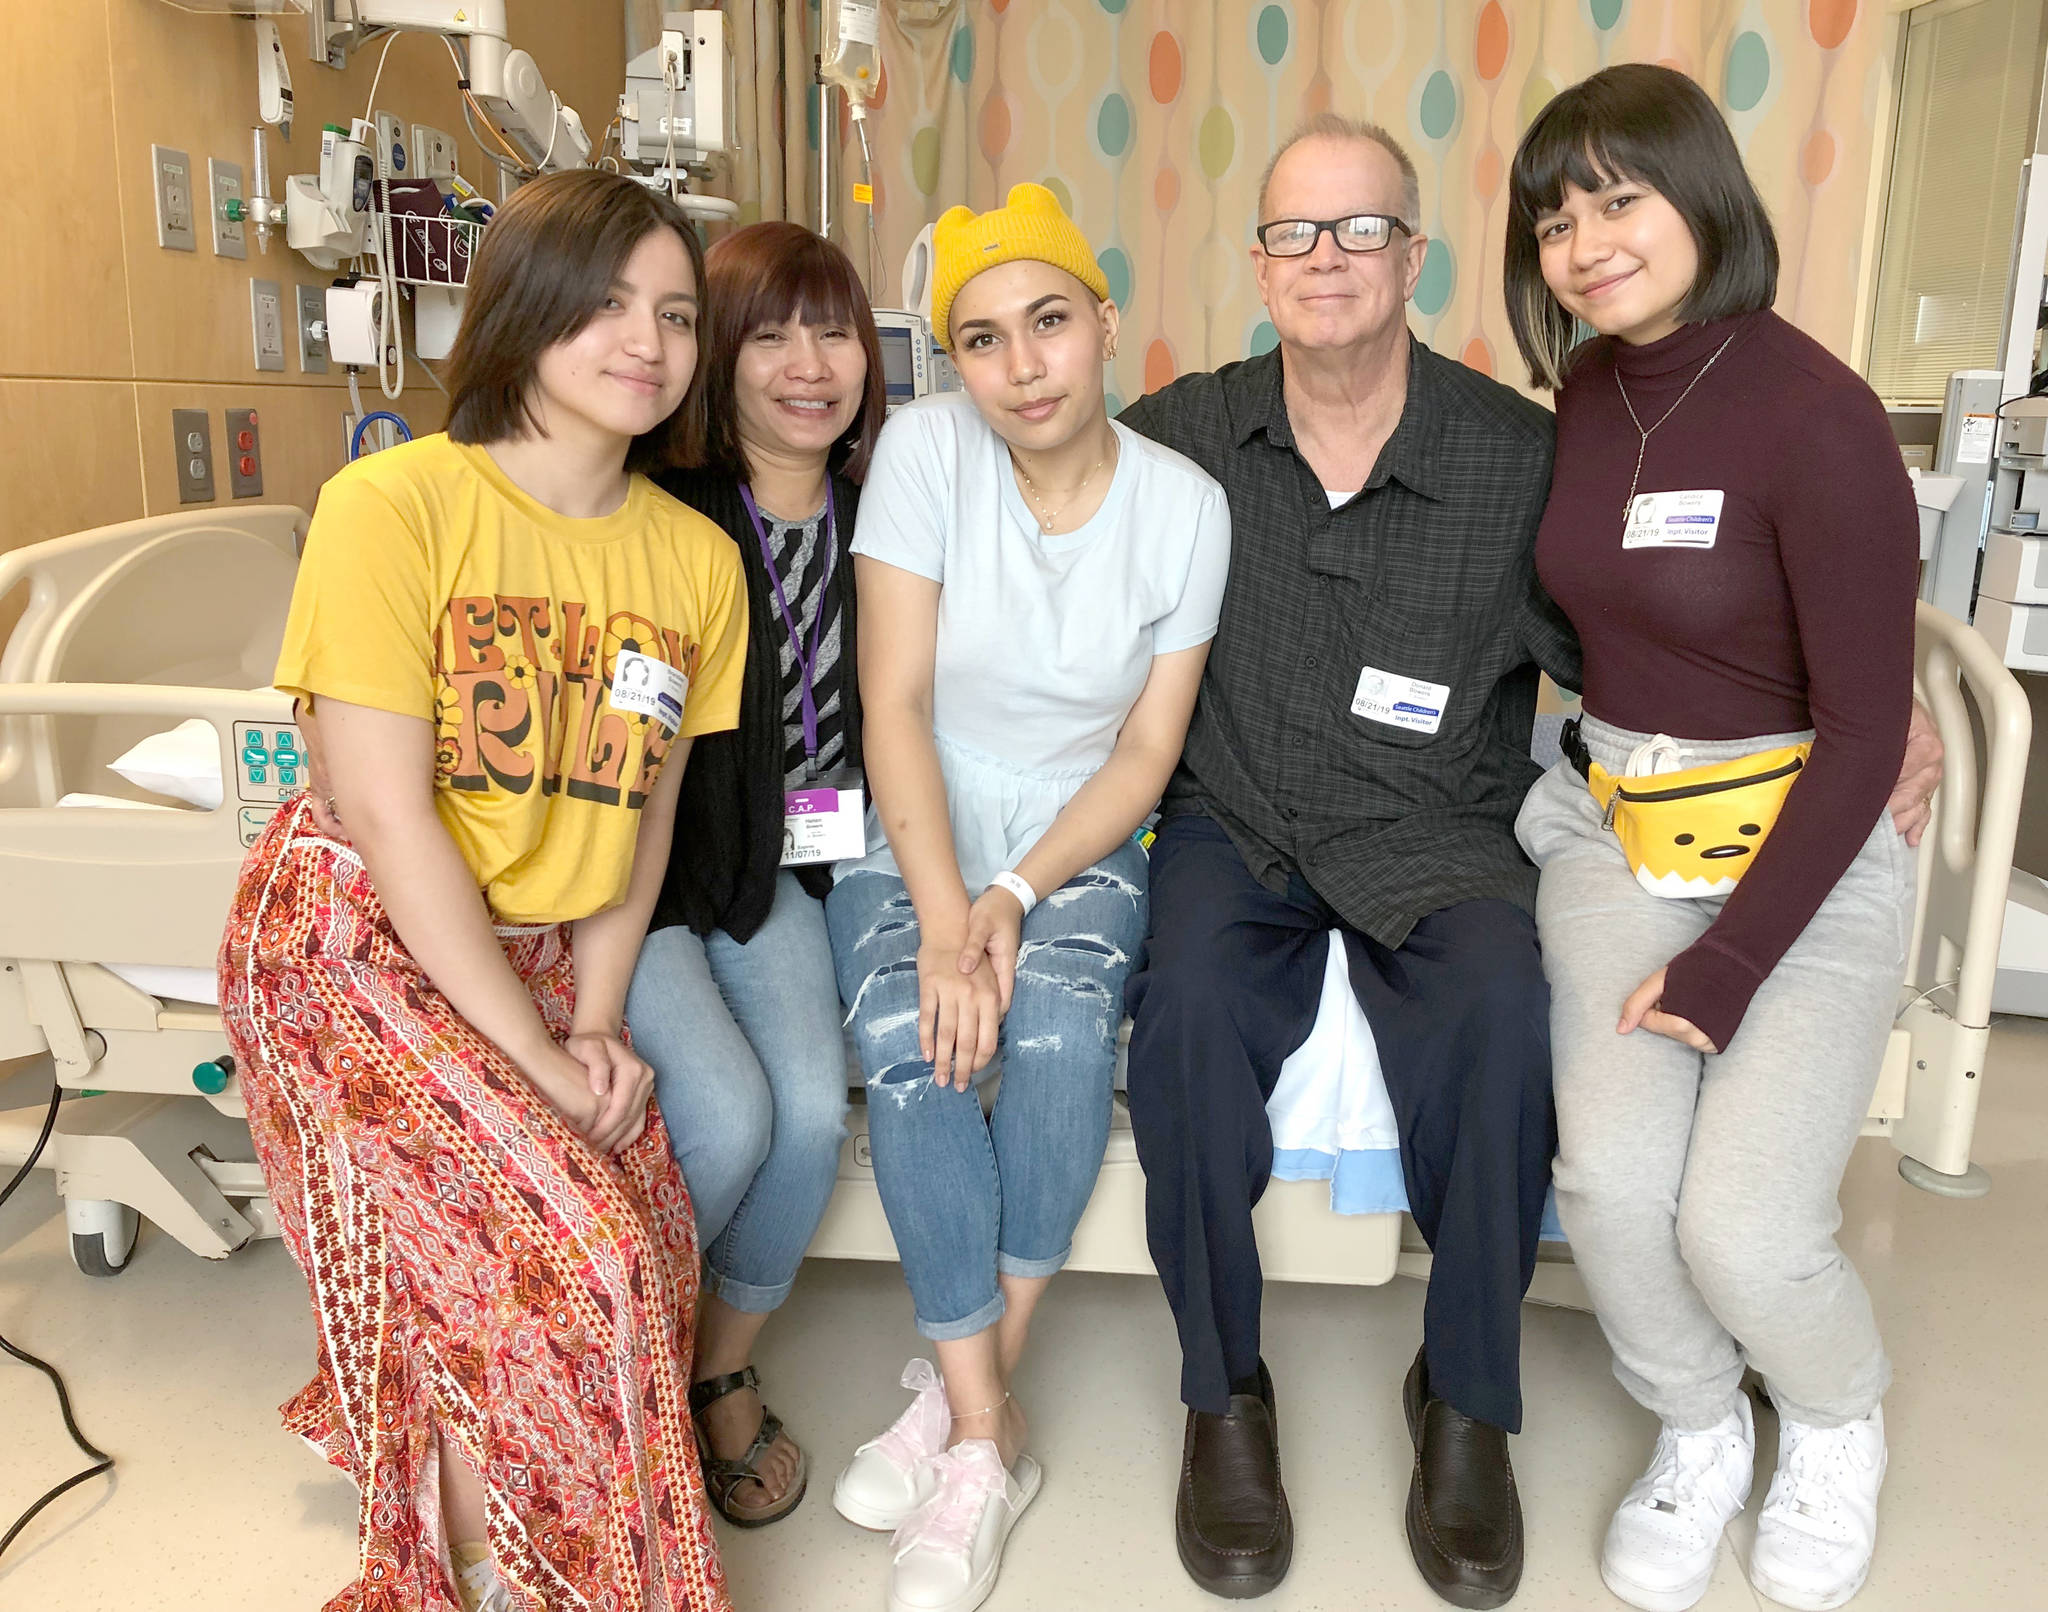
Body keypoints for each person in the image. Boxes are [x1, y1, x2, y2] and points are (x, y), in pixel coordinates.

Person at [1112, 113, 1943, 1609]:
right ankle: (1221, 1394)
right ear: (1257, 262)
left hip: (1440, 831)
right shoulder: (1180, 434)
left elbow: (1641, 640)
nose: (1327, 261)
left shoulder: (1524, 450)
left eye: (1362, 229)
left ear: (1415, 256)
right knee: (1176, 1021)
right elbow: (1037, 515)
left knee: (1504, 1021)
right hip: (1238, 829)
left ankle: (1468, 1401)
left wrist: (1882, 719)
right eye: (1295, 233)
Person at [216, 170, 746, 1612]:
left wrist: (603, 1025)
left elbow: (641, 825)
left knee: (661, 1244)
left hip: (544, 953)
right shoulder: (394, 505)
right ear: (526, 308)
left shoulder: (696, 563)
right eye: (609, 301)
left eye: (678, 314)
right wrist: (540, 1063)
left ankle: (492, 1539)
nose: (648, 339)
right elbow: (390, 820)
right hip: (351, 942)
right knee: (588, 1263)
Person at [1505, 65, 1917, 1612]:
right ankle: (1698, 1429)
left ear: (1705, 196)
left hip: (1802, 853)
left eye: (1619, 198)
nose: (1586, 242)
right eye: (1555, 218)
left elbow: (1869, 729)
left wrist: (1732, 967)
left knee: (1740, 1226)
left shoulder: (1819, 410)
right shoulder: (1588, 391)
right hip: (1618, 830)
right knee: (1610, 1191)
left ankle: (1831, 1413)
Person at [824, 183, 1231, 1612]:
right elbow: (896, 701)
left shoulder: (1186, 508)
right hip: (923, 808)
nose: (1024, 367)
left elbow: (1147, 751)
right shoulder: (926, 456)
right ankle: (989, 1439)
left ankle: (944, 1404)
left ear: (1106, 324)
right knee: (919, 1049)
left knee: (1052, 1039)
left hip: (1083, 830)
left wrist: (1014, 892)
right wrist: (946, 913)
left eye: (1050, 323)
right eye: (984, 339)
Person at [626, 221, 886, 1527]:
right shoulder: (660, 514)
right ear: (714, 355)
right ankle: (614, 1358)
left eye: (831, 327)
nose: (804, 362)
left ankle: (712, 1367)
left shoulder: (891, 508)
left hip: (786, 868)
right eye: (768, 331)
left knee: (806, 1115)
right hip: (653, 872)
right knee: (725, 1116)